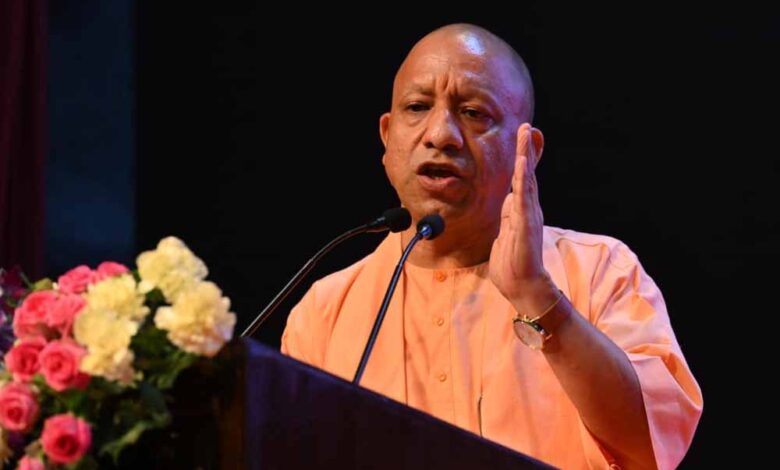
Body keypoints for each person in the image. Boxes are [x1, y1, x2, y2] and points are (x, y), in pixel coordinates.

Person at [281, 23, 702, 470]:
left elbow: (652, 447)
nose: (440, 134)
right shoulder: (324, 312)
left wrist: (537, 294)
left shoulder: (600, 270)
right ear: (387, 136)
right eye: (417, 107)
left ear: (529, 149)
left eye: (474, 113)